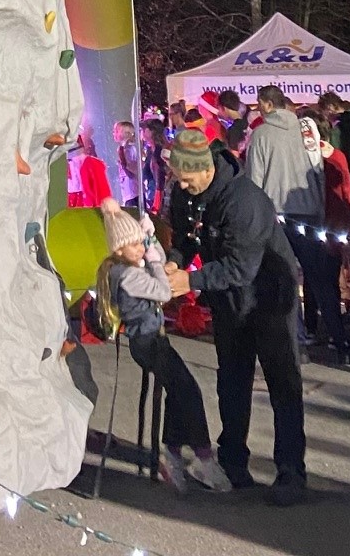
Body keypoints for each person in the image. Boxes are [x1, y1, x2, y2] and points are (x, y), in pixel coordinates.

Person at [160, 125, 308, 505]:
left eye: (188, 179)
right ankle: (232, 459)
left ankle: (291, 469)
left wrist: (190, 281)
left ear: (207, 170)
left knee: (282, 383)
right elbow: (186, 236)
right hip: (227, 300)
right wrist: (175, 263)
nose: (183, 185)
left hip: (270, 296)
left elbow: (241, 268)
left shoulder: (245, 201)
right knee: (232, 379)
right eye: (179, 178)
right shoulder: (186, 193)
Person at [95, 199, 231, 494]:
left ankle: (171, 450)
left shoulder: (128, 267)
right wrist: (155, 260)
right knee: (189, 390)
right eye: (134, 246)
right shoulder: (130, 276)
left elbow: (149, 263)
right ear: (119, 250)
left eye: (139, 243)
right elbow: (163, 291)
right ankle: (203, 456)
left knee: (180, 390)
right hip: (148, 342)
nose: (140, 250)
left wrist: (150, 238)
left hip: (152, 339)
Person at [246, 85, 349, 362]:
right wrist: (320, 209)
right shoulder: (308, 130)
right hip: (310, 214)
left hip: (277, 215)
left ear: (266, 104)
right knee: (321, 281)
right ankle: (341, 344)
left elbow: (254, 181)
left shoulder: (261, 135)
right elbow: (317, 172)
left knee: (286, 281)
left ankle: (297, 345)